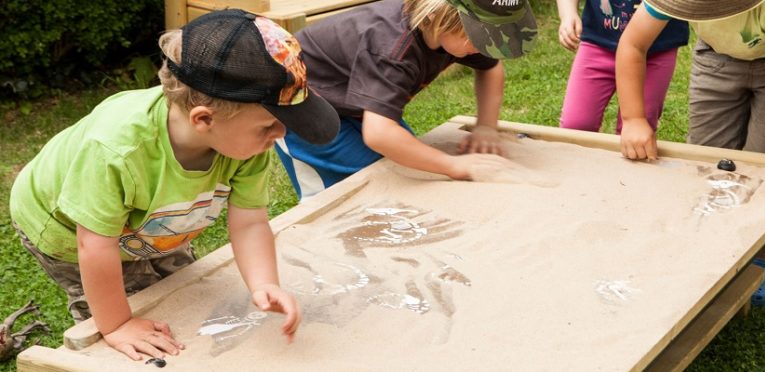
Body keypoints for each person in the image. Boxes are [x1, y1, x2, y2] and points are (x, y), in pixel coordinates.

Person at [8, 9, 339, 361]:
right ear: (204, 119)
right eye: (270, 126)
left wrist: (265, 284)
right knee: (121, 317)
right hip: (65, 226)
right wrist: (117, 324)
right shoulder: (116, 149)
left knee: (180, 291)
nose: (281, 134)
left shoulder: (246, 144)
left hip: (150, 221)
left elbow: (250, 220)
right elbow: (94, 246)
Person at [616, 0, 765, 305]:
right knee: (706, 160)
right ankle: (710, 243)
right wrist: (634, 119)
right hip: (718, 54)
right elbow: (632, 44)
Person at [274, 0, 537, 200]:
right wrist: (454, 165)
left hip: (353, 101)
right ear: (437, 16)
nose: (485, 46)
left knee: (405, 168)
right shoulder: (392, 49)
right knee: (347, 192)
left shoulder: (448, 33)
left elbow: (491, 68)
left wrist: (486, 127)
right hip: (299, 106)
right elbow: (379, 135)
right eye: (479, 35)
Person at [555, 0, 688, 134]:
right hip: (598, 43)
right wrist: (568, 14)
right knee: (575, 125)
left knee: (638, 129)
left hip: (655, 49)